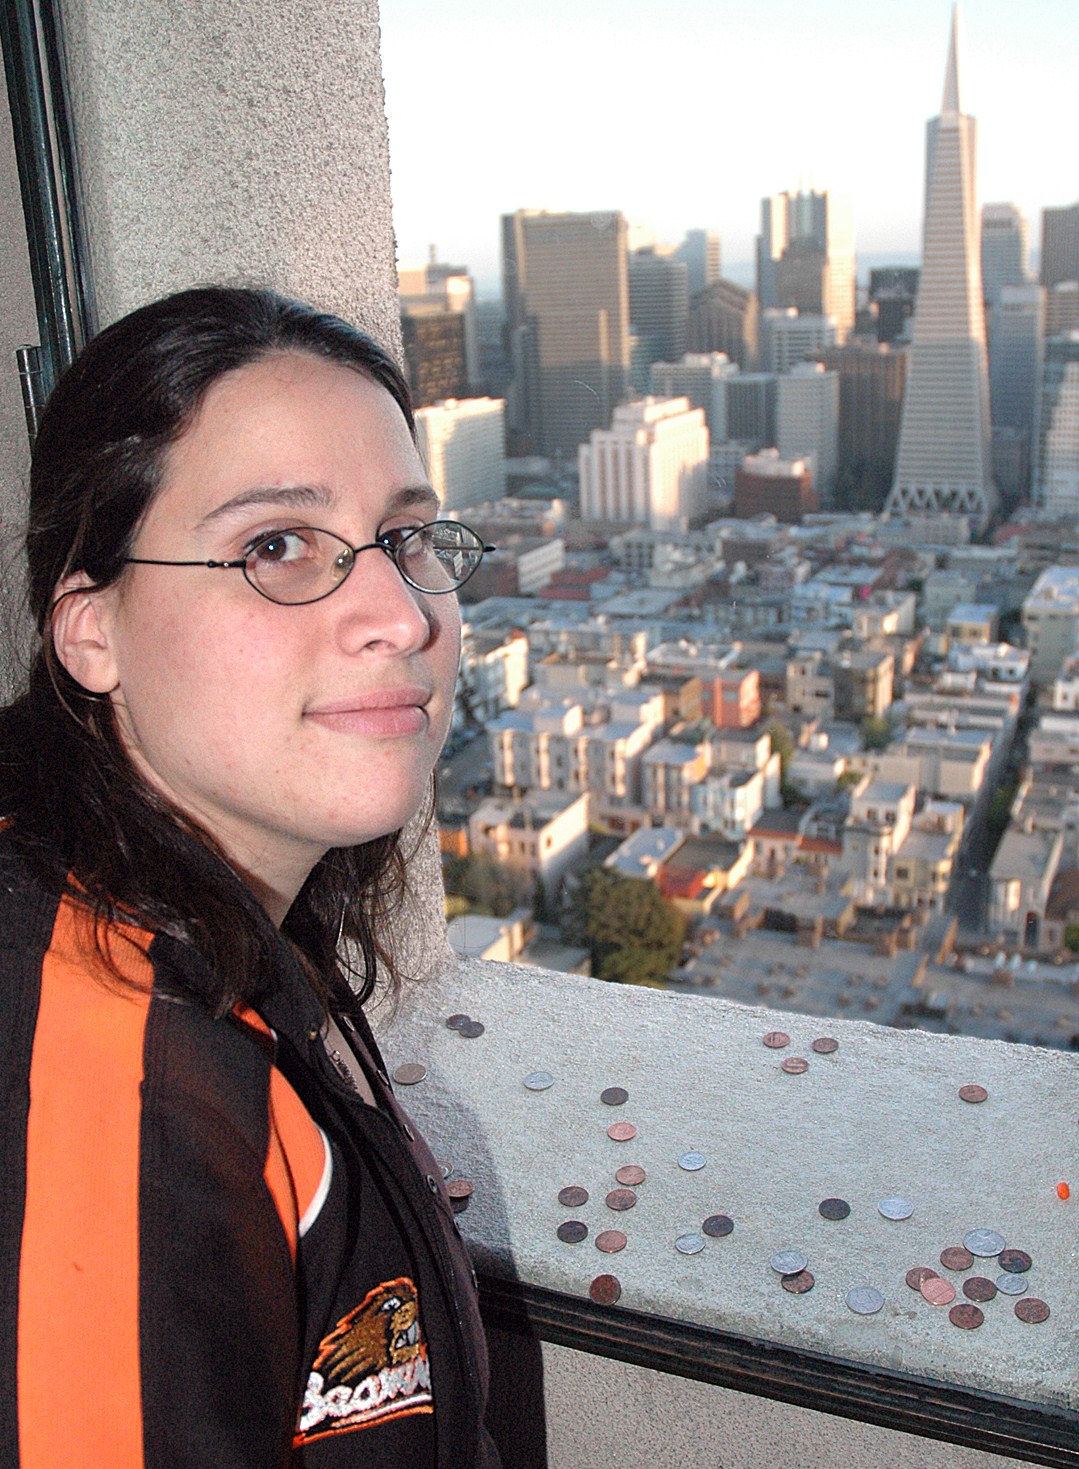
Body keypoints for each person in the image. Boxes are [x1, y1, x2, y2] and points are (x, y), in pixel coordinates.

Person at [0, 286, 502, 1467]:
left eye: (407, 534)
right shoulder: (118, 1088)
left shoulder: (174, 917)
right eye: (277, 545)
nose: (398, 613)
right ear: (90, 628)